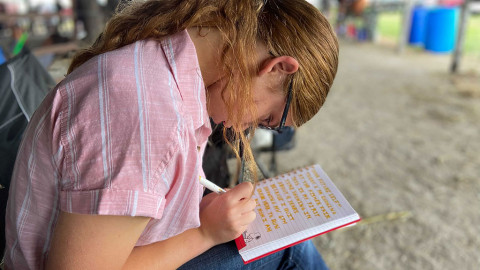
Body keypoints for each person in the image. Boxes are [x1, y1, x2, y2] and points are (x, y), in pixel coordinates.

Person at [4, 0, 339, 269]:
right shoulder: (147, 115)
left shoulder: (159, 69)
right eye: (267, 119)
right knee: (286, 252)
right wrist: (204, 232)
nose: (244, 128)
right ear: (278, 67)